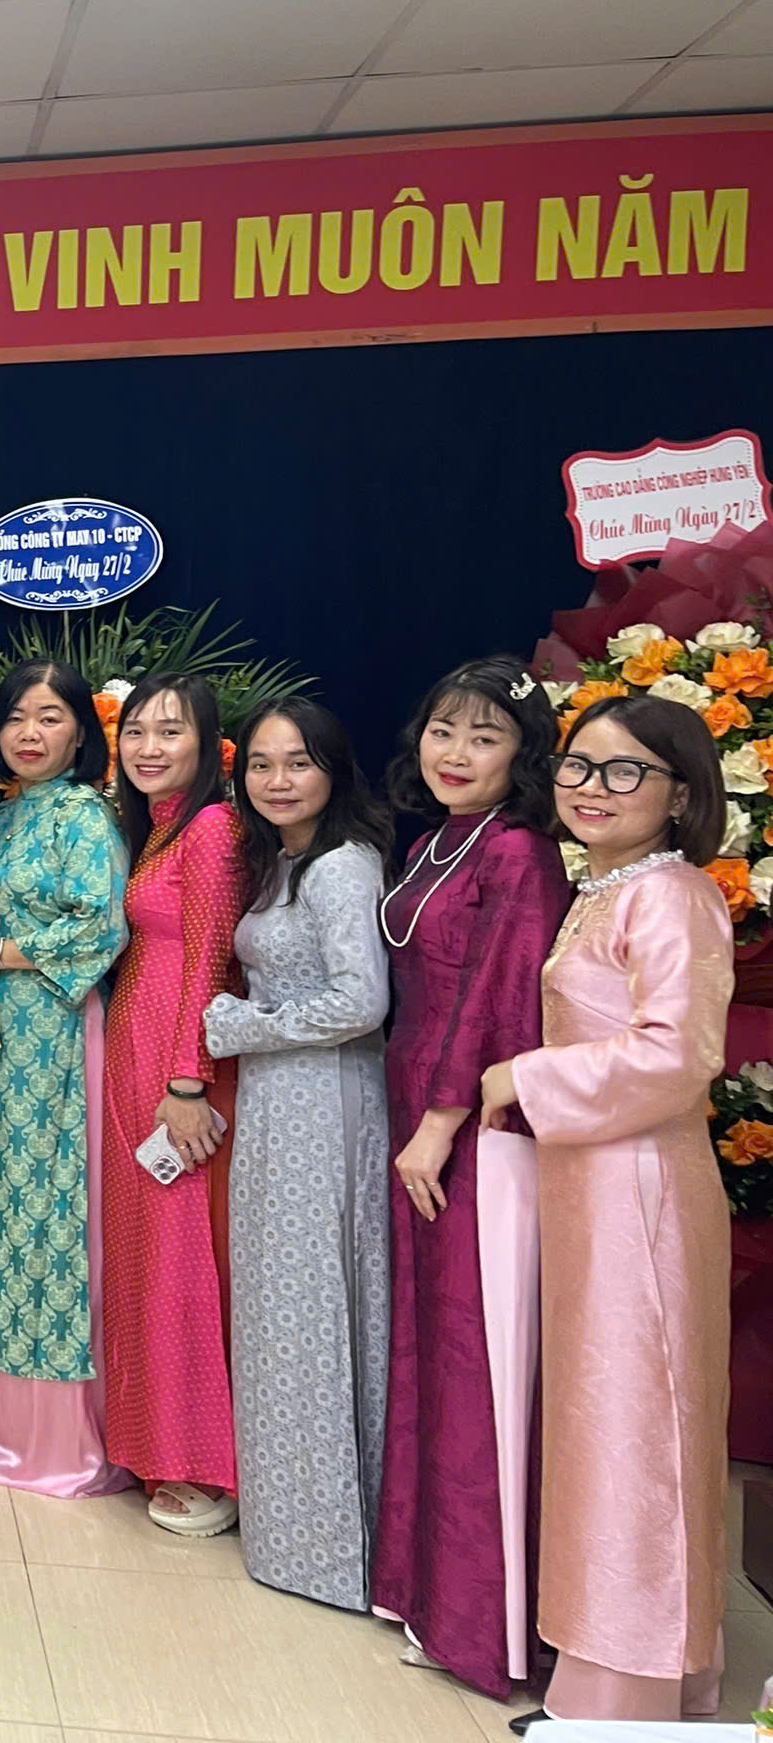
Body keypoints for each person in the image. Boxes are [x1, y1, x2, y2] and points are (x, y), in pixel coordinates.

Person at [488, 694, 732, 1727]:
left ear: (679, 795)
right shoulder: (608, 888)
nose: (592, 788)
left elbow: (676, 1057)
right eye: (579, 766)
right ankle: (602, 1682)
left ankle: (625, 1700)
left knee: (638, 1433)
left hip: (642, 1196)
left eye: (625, 770)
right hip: (591, 1184)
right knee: (599, 1427)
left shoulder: (672, 896)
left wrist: (523, 1076)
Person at [369, 657, 570, 1698]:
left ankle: (482, 1622)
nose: (456, 753)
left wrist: (442, 1123)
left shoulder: (521, 854)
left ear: (523, 755)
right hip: (415, 1111)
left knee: (474, 1361)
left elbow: (504, 998)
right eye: (443, 731)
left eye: (485, 738)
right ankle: (422, 1588)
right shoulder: (436, 842)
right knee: (425, 1356)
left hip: (474, 1132)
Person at [203, 697, 394, 1608]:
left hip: (327, 1102)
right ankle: (289, 1532)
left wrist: (245, 1025)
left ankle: (333, 1548)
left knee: (314, 1307)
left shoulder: (343, 867)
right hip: (279, 1100)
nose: (277, 781)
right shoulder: (285, 861)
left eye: (299, 762)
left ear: (334, 769)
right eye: (262, 764)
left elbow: (362, 1001)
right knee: (279, 1306)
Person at [0, 662, 129, 1497]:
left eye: (50, 717)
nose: (29, 733)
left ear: (82, 732)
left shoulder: (85, 814)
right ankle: (11, 1429)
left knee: (50, 1216)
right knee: (7, 1217)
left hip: (56, 1029)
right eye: (16, 718)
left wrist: (9, 954)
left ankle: (63, 1444)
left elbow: (103, 925)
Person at [99, 671, 245, 1536]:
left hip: (175, 1067)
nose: (149, 747)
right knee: (144, 1255)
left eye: (171, 731)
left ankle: (203, 1463)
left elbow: (211, 957)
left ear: (208, 745)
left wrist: (187, 1079)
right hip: (136, 1051)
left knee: (181, 1256)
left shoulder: (214, 828)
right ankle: (152, 1442)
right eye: (137, 732)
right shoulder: (159, 829)